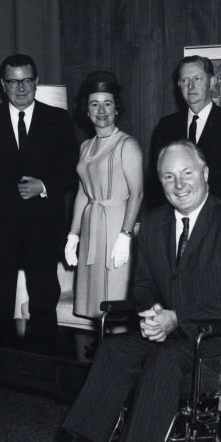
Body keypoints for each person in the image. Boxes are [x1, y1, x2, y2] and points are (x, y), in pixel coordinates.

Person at [63, 140, 221, 442]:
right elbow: (144, 285)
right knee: (114, 349)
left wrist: (178, 318)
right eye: (169, 177)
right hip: (175, 336)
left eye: (187, 173)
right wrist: (153, 313)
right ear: (160, 182)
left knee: (164, 358)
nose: (179, 184)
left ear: (205, 173)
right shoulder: (154, 224)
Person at [0, 54, 79, 338]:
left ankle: (43, 362)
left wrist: (44, 185)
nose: (20, 87)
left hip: (43, 224)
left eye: (26, 80)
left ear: (36, 82)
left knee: (43, 294)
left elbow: (71, 169)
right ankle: (0, 363)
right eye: (13, 81)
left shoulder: (58, 118)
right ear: (3, 85)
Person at [64, 71, 144, 318]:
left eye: (107, 103)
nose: (101, 110)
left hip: (116, 227)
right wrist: (73, 235)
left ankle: (116, 349)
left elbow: (137, 193)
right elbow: (82, 192)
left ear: (116, 108)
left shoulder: (127, 144)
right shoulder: (86, 146)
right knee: (93, 301)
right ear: (86, 110)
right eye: (94, 104)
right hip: (91, 227)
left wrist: (126, 235)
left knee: (115, 297)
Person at [151, 55, 221, 226]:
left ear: (212, 82)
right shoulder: (166, 126)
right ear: (179, 84)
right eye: (185, 80)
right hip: (176, 226)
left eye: (197, 79)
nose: (191, 86)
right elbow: (157, 185)